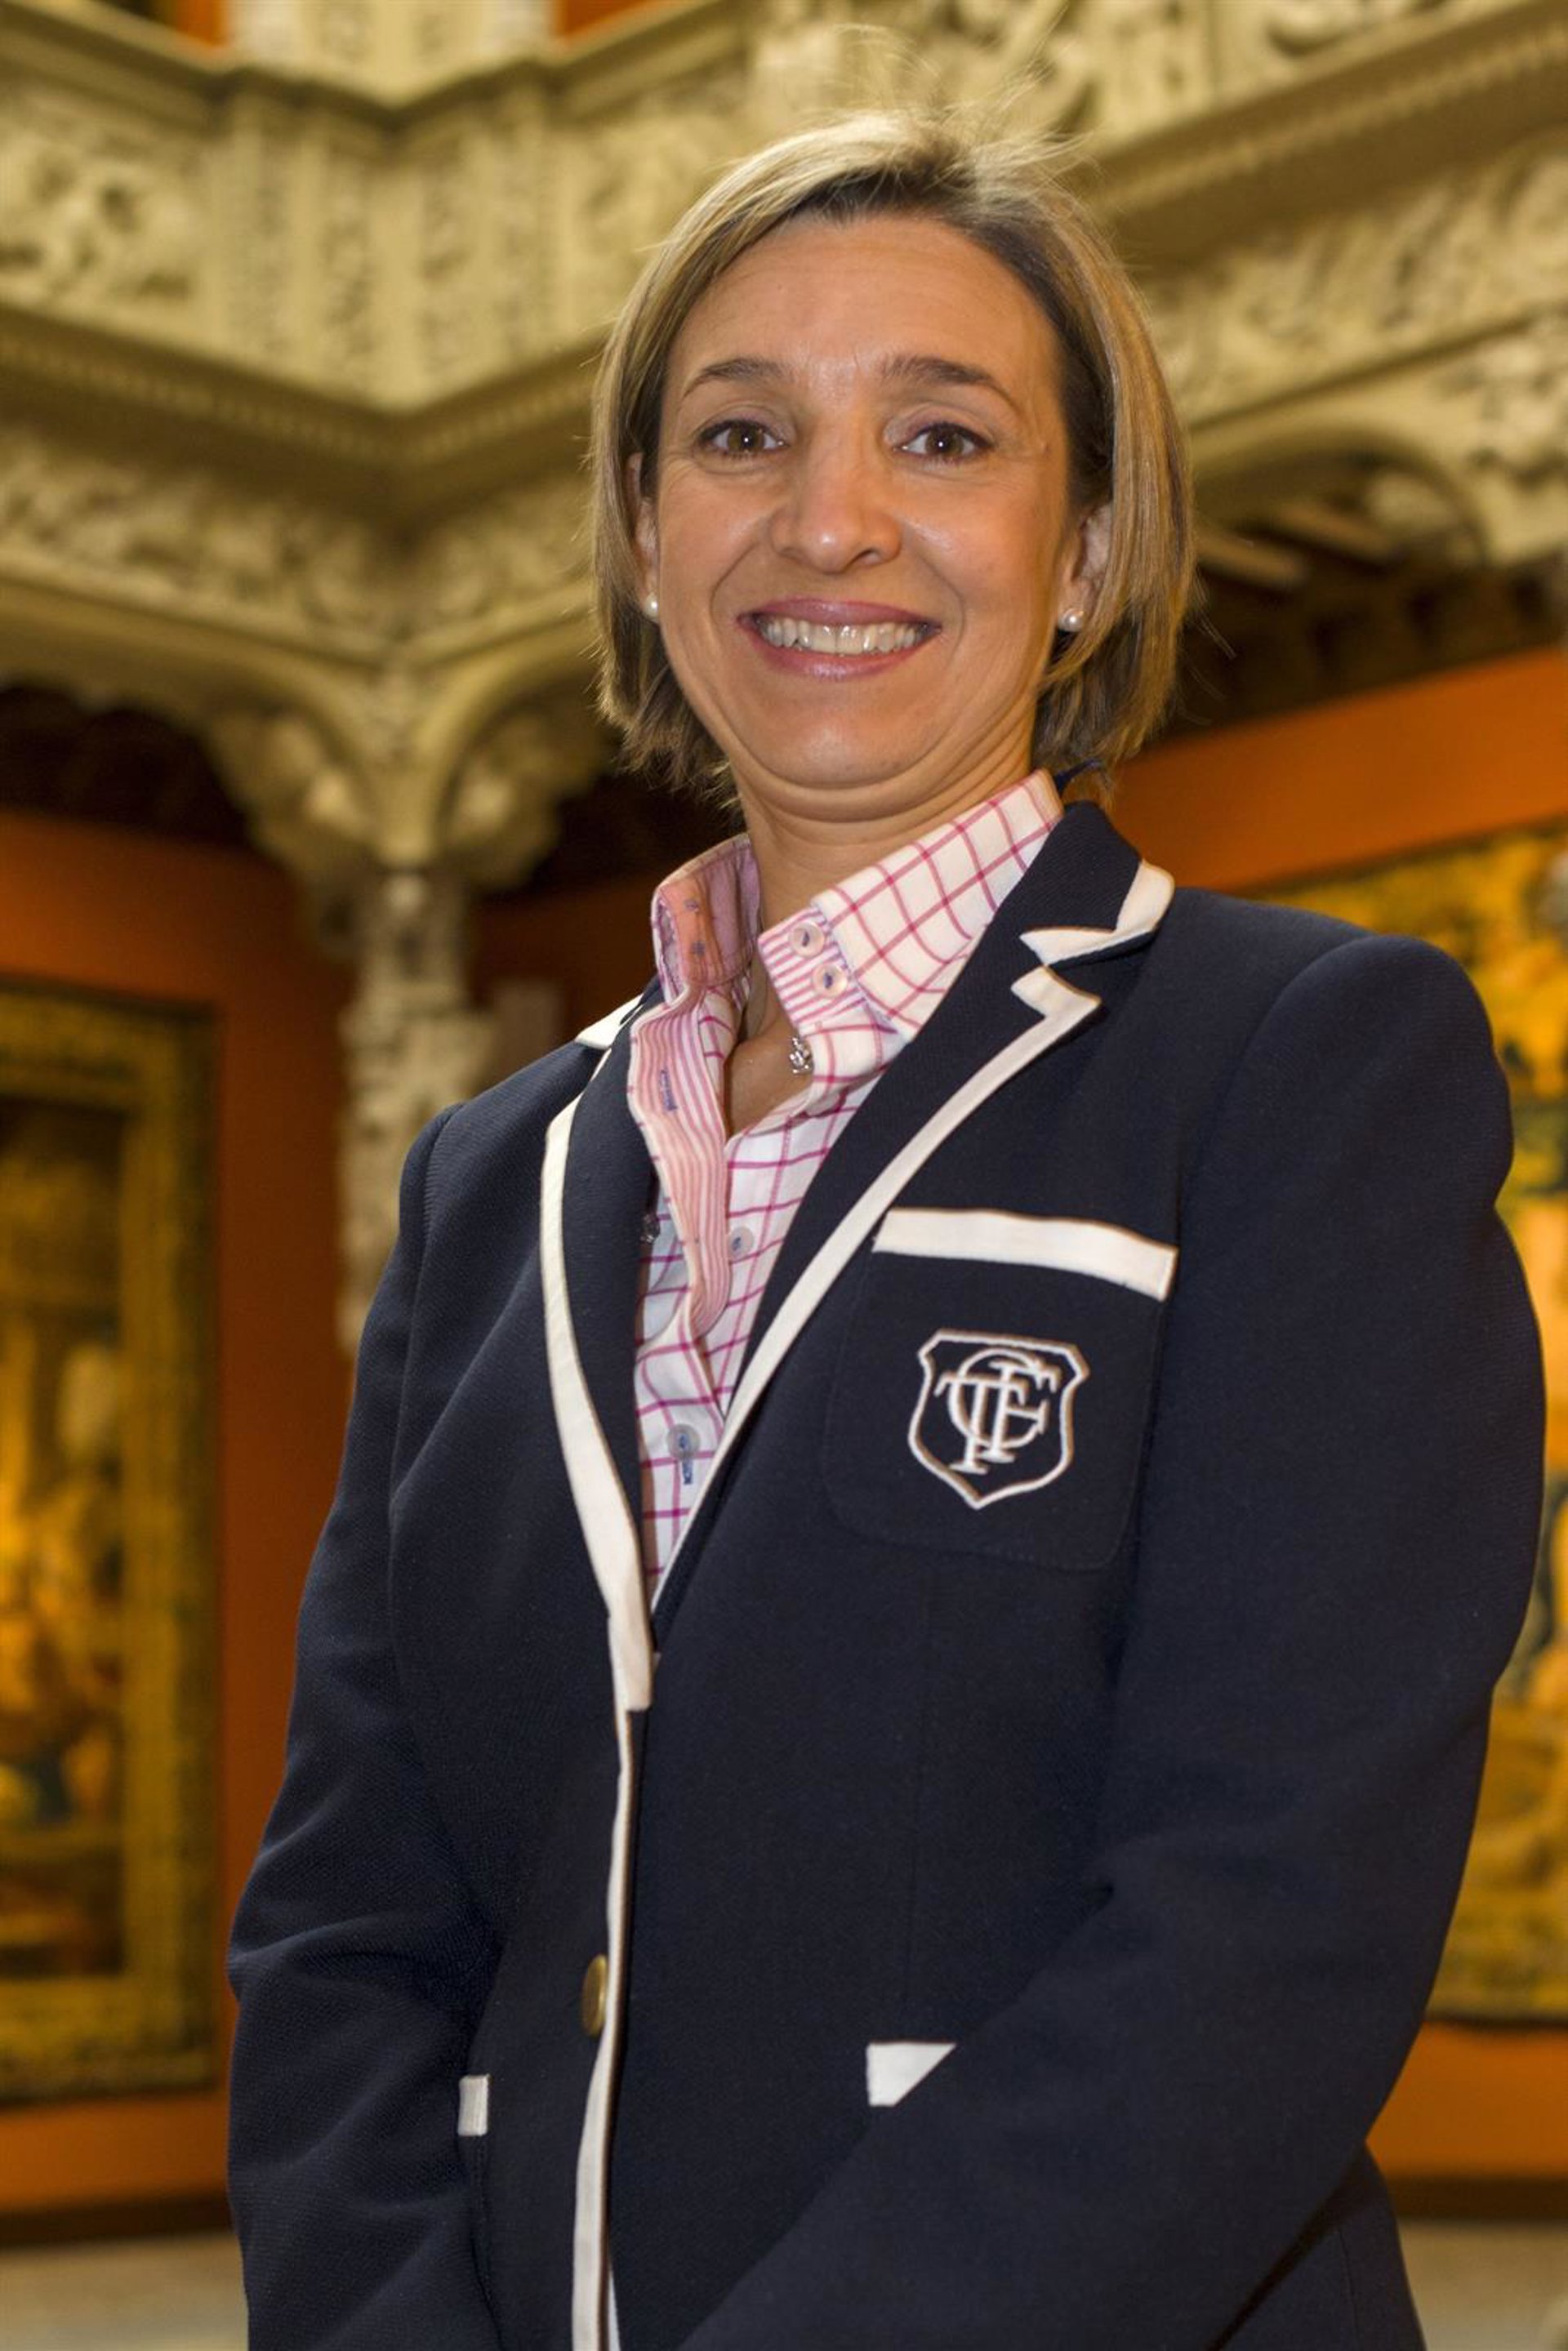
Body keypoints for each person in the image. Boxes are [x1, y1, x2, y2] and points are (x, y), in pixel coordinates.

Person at [228, 106, 1544, 2351]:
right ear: (643, 534)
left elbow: (1269, 1915)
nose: (829, 518)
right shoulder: (489, 1178)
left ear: (1091, 546)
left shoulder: (1298, 1064)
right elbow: (354, 1917)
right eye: (740, 434)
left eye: (944, 435)